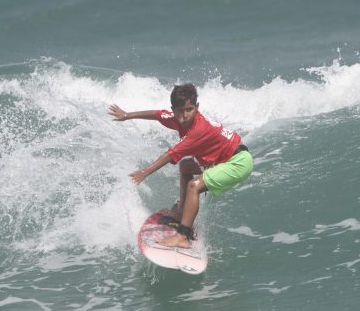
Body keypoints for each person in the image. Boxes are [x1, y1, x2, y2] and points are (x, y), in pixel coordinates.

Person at [108, 83, 253, 248]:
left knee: (194, 186)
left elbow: (170, 154)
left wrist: (145, 172)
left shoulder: (198, 129)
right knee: (185, 167)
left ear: (197, 107)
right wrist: (127, 115)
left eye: (190, 109)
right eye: (180, 111)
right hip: (224, 158)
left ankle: (183, 235)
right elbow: (156, 114)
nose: (185, 115)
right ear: (173, 109)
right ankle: (180, 214)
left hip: (238, 162)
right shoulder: (176, 119)